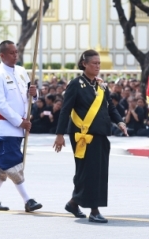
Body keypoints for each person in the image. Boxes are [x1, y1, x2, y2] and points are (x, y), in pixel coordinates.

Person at [53, 49, 128, 223]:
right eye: (94, 63)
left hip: (101, 133)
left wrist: (120, 122)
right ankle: (94, 210)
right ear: (84, 64)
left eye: (99, 63)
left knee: (97, 172)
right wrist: (59, 134)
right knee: (89, 172)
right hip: (82, 134)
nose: (97, 66)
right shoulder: (75, 84)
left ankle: (73, 203)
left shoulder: (101, 85)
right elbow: (65, 110)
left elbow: (110, 108)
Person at [0, 40, 42, 212]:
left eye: (16, 52)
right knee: (13, 163)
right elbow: (0, 104)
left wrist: (35, 93)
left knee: (3, 167)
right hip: (6, 126)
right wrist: (19, 121)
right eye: (11, 53)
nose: (15, 55)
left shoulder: (23, 71)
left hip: (21, 126)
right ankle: (28, 200)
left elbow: (29, 97)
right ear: (2, 55)